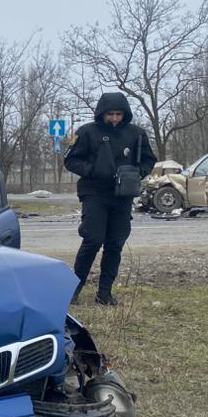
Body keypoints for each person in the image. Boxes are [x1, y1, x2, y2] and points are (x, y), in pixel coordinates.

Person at [64, 92, 156, 306]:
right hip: (94, 193)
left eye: (118, 114)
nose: (115, 118)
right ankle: (73, 290)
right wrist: (93, 170)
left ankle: (104, 293)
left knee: (115, 244)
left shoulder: (137, 134)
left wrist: (136, 173)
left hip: (122, 196)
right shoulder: (86, 132)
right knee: (93, 239)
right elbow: (71, 160)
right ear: (102, 113)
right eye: (110, 114)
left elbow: (149, 160)